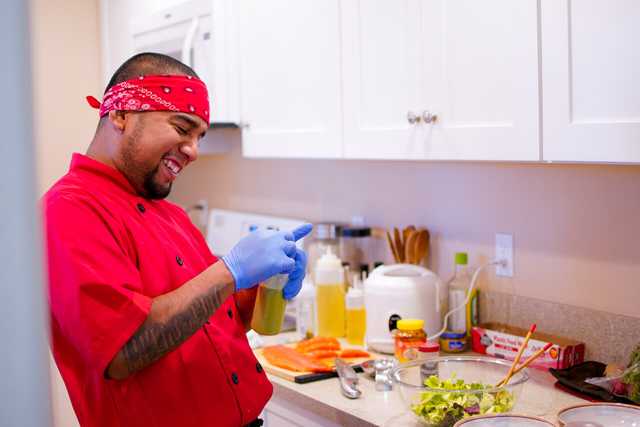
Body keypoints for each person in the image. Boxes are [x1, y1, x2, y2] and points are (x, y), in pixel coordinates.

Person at [42, 52, 312, 427]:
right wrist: (230, 271)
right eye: (182, 128)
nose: (194, 151)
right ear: (121, 114)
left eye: (200, 136)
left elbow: (212, 320)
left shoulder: (170, 214)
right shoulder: (69, 209)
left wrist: (267, 283)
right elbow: (123, 350)